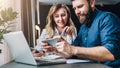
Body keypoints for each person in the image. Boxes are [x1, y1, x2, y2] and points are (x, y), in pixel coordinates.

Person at [42, 0, 120, 67]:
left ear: (92, 3)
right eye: (75, 8)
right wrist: (56, 50)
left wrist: (72, 49)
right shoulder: (83, 27)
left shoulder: (107, 19)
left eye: (80, 6)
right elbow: (71, 53)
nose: (77, 12)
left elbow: (110, 53)